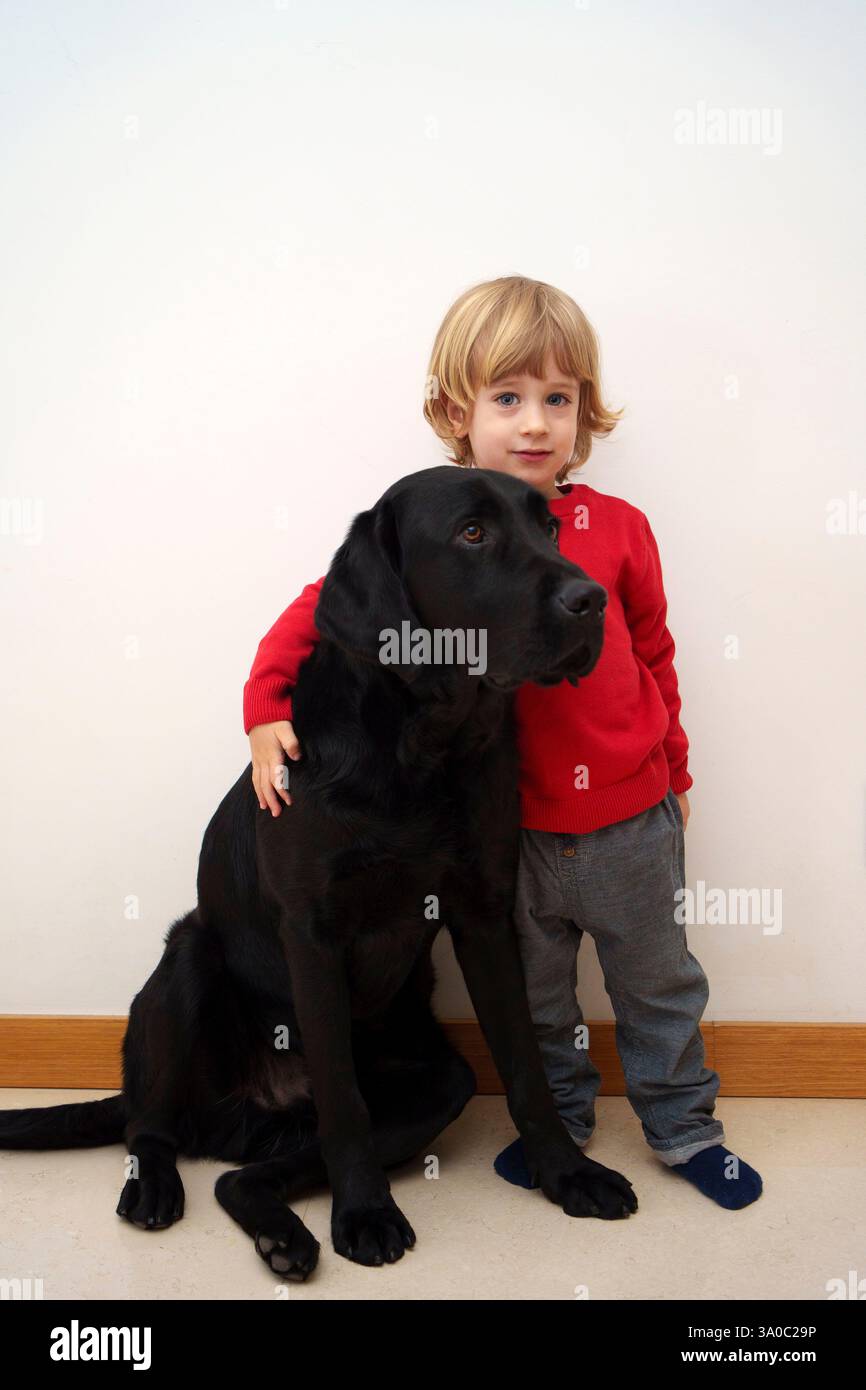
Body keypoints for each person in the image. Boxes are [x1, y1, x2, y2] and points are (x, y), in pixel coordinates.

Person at [243, 274, 761, 1210]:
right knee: (543, 995)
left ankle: (685, 1129)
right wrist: (263, 707)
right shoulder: (439, 525)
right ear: (457, 413)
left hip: (629, 817)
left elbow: (653, 652)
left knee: (657, 982)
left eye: (556, 400)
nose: (534, 424)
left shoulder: (610, 527)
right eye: (508, 399)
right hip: (521, 825)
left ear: (583, 416)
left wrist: (676, 768)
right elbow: (320, 610)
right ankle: (556, 1125)